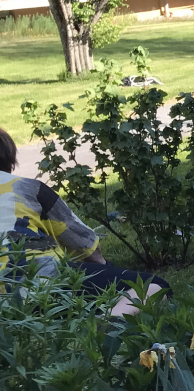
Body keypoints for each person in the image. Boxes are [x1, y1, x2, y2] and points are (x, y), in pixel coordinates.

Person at [0, 127, 169, 316]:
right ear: (9, 161)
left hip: (9, 306)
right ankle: (108, 320)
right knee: (154, 287)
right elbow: (87, 246)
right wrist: (104, 267)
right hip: (42, 283)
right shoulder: (29, 188)